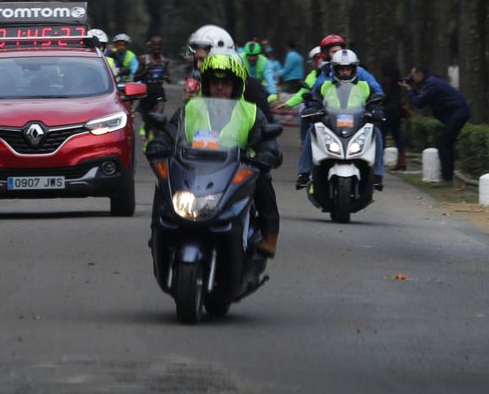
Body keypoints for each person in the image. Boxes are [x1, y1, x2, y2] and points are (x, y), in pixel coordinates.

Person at [159, 49, 281, 252]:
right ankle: (159, 232)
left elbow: (265, 140)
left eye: (226, 83)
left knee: (262, 179)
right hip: (193, 172)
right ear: (206, 84)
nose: (219, 88)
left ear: (236, 85)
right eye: (214, 83)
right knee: (163, 178)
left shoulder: (251, 112)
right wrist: (160, 143)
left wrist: (267, 152)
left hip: (234, 174)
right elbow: (171, 131)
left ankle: (270, 234)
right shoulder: (190, 109)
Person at [299, 48, 385, 190]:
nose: (345, 72)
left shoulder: (365, 86)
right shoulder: (324, 86)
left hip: (358, 125)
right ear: (334, 69)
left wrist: (377, 110)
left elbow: (375, 102)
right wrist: (313, 109)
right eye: (341, 69)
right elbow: (314, 101)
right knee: (312, 130)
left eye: (348, 69)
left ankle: (377, 174)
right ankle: (303, 172)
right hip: (330, 125)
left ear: (355, 69)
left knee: (376, 131)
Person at [403, 66, 471, 184]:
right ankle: (447, 176)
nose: (412, 78)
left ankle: (447, 178)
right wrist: (413, 90)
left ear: (419, 74)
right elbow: (422, 98)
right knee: (446, 143)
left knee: (443, 143)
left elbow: (419, 103)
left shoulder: (431, 84)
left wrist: (409, 91)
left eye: (413, 76)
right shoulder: (431, 81)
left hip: (458, 113)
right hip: (457, 113)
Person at [133, 36, 171, 136]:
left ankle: (154, 141)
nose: (157, 47)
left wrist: (167, 77)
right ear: (150, 46)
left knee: (157, 118)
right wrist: (146, 69)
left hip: (159, 92)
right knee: (148, 120)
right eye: (155, 45)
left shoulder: (164, 61)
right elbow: (135, 78)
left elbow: (169, 78)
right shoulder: (144, 59)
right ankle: (146, 133)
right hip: (146, 93)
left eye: (159, 45)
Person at [379, 56, 407, 172]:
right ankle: (402, 161)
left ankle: (378, 161)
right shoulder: (397, 80)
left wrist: (378, 102)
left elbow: (385, 95)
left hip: (387, 110)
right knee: (397, 136)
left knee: (381, 135)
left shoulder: (387, 79)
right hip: (397, 110)